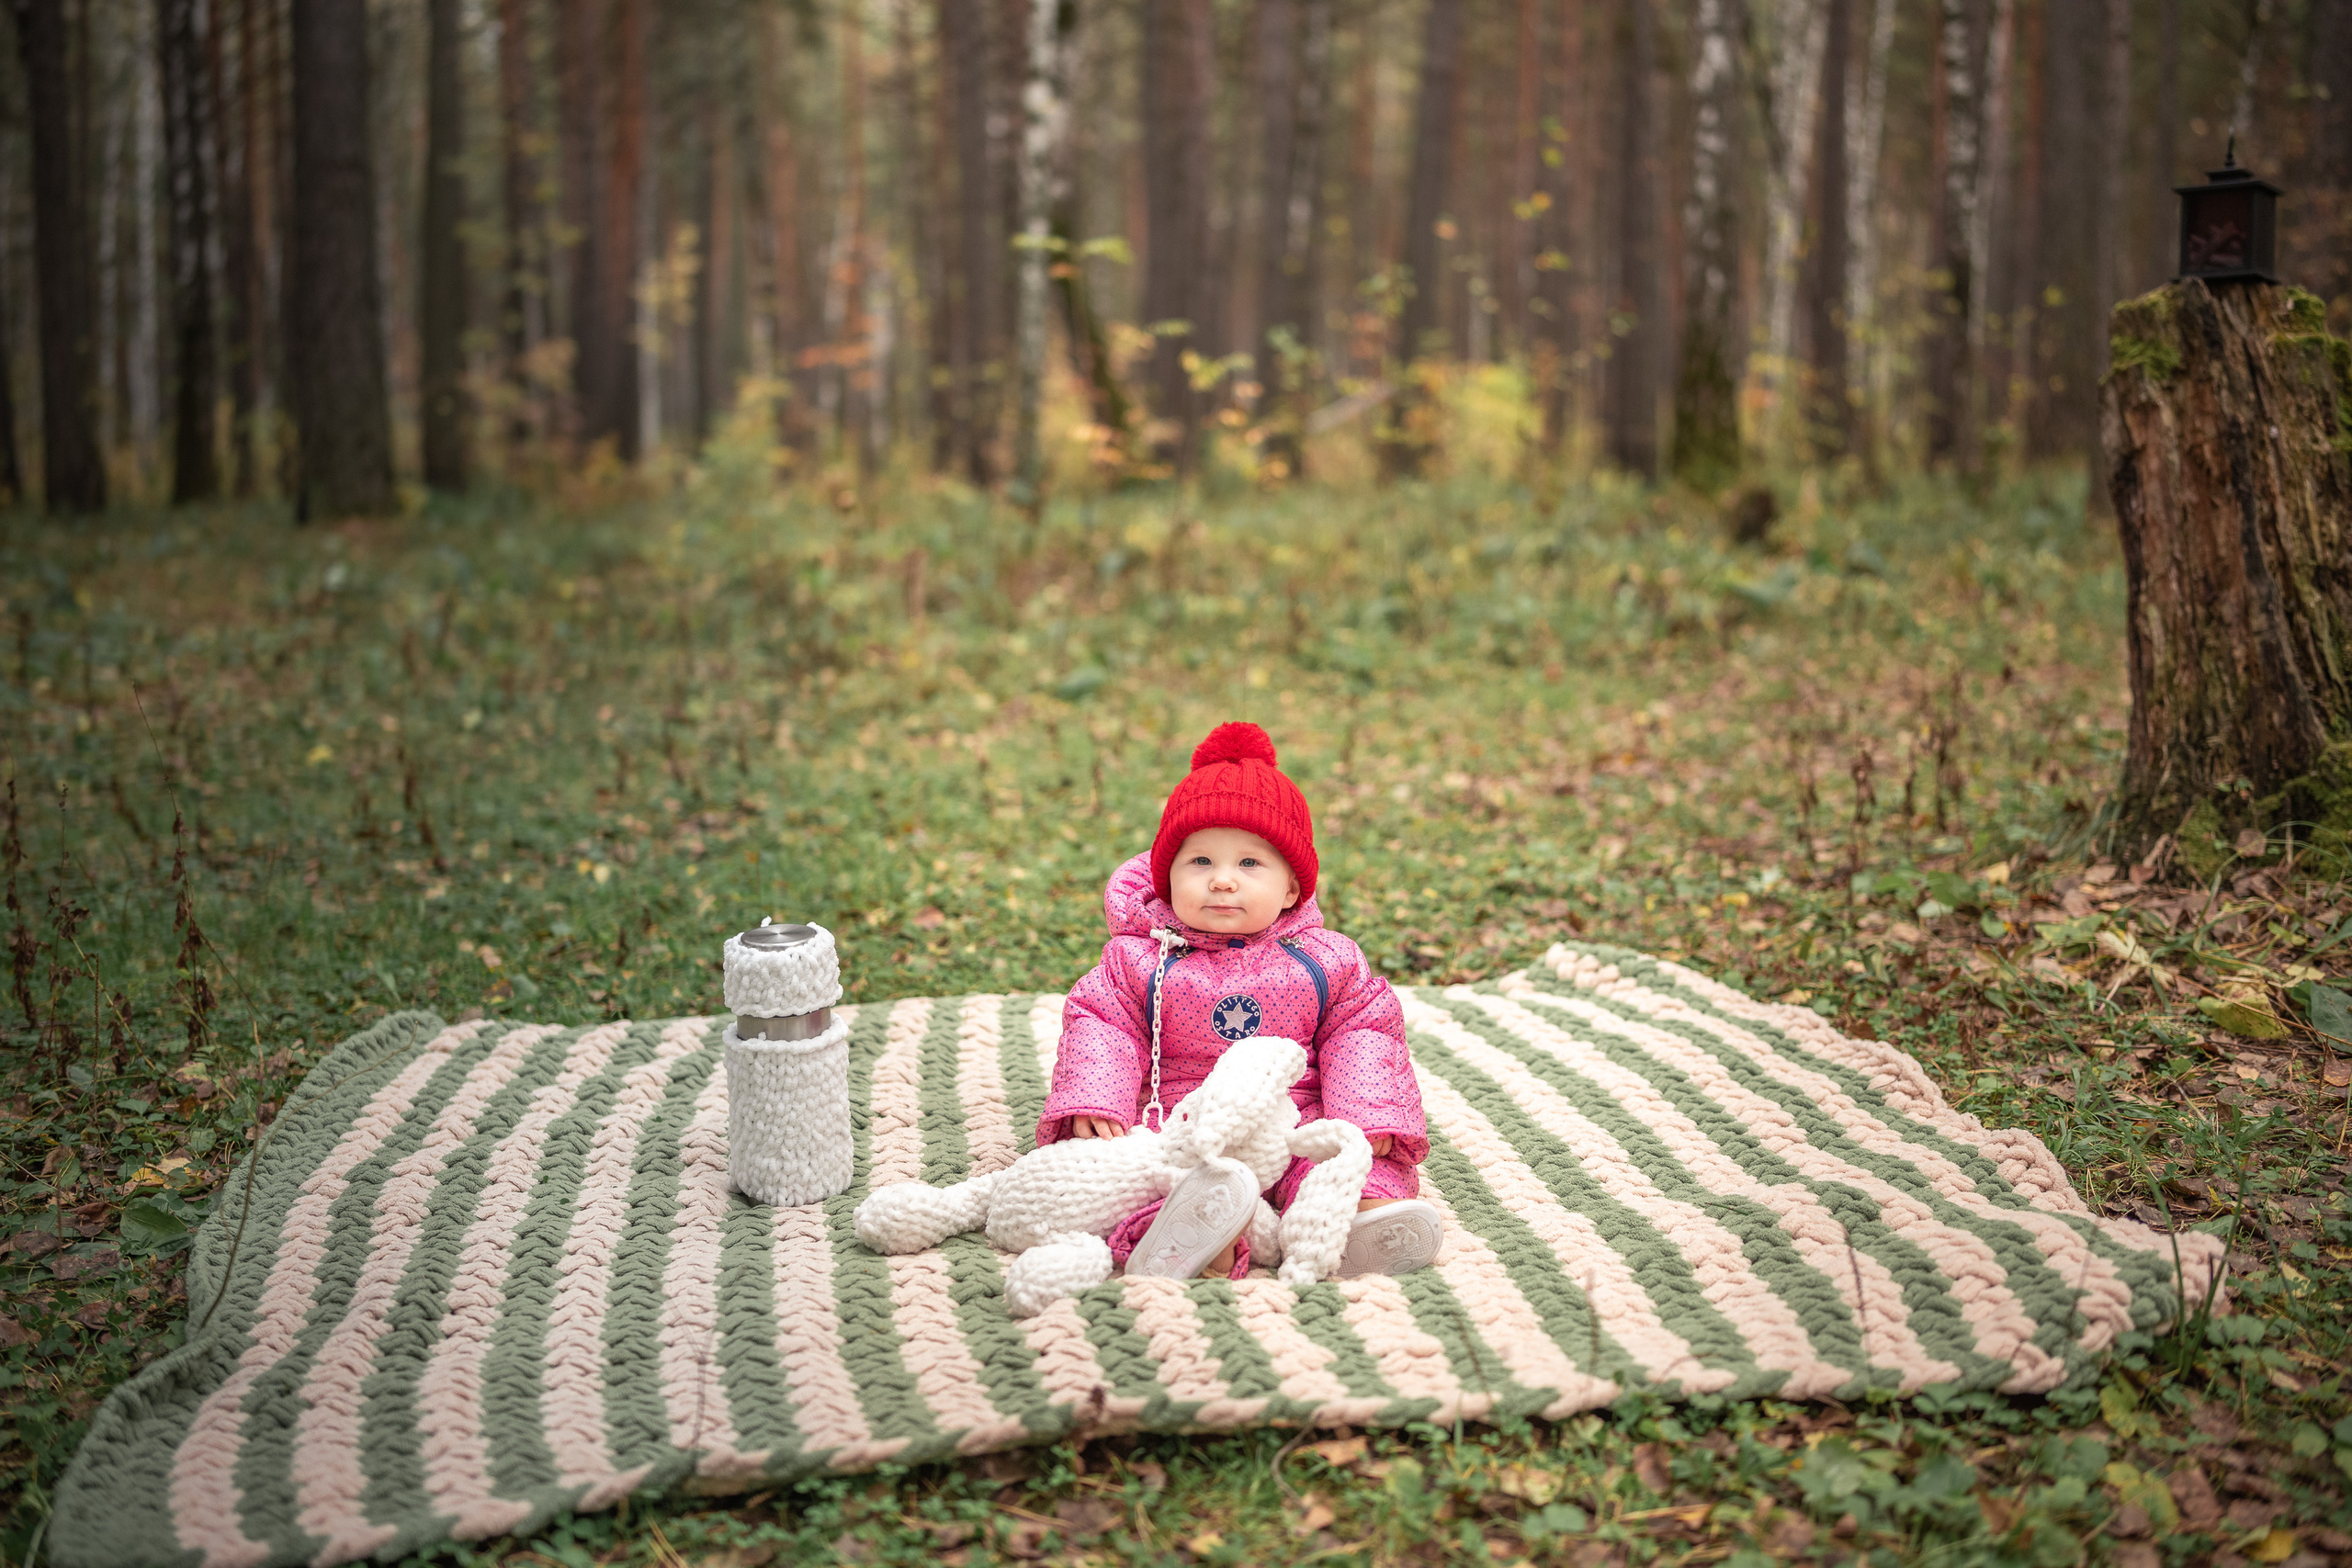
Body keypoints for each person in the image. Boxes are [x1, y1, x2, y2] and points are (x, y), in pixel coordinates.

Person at [1038, 720, 1443, 1280]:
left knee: (1342, 1154)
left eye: (1249, 864)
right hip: (1178, 1114)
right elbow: (1103, 1023)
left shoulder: (1328, 960)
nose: (1223, 880)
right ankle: (1193, 1232)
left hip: (1296, 1112)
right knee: (1132, 1172)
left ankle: (1361, 1217)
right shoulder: (1139, 959)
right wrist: (1094, 1098)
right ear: (1167, 878)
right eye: (1200, 862)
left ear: (1291, 889)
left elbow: (1364, 1033)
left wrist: (1366, 1117)